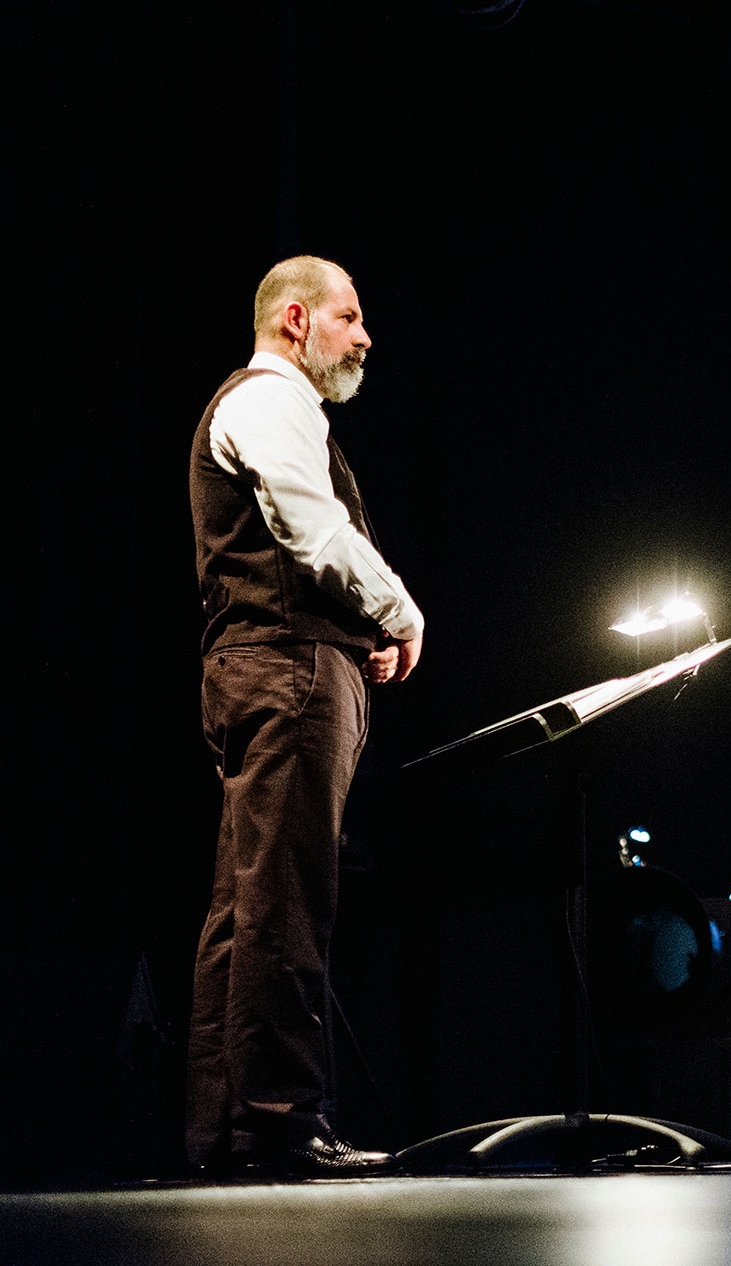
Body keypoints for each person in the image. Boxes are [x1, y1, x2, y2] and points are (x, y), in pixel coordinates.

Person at [187, 256, 423, 1178]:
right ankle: (280, 1123)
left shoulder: (269, 406)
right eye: (349, 317)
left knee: (248, 905)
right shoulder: (270, 400)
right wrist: (399, 612)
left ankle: (229, 1129)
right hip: (288, 672)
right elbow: (313, 533)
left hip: (271, 667)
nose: (365, 337)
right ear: (296, 319)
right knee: (285, 899)